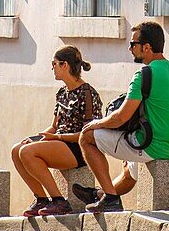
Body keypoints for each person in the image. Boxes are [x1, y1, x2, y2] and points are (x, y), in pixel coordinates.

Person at [77, 20, 169, 213]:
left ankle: (110, 198)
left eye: (133, 44)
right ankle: (100, 195)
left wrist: (96, 123)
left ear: (146, 47)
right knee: (129, 173)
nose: (130, 48)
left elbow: (121, 117)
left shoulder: (144, 74)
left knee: (86, 138)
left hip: (151, 146)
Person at [11, 45, 103, 217]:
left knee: (27, 153)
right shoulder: (62, 92)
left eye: (54, 64)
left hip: (79, 147)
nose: (52, 68)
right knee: (17, 150)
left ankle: (59, 200)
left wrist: (57, 137)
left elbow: (90, 133)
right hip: (59, 142)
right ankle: (41, 199)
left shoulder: (87, 93)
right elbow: (54, 125)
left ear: (64, 65)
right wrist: (39, 138)